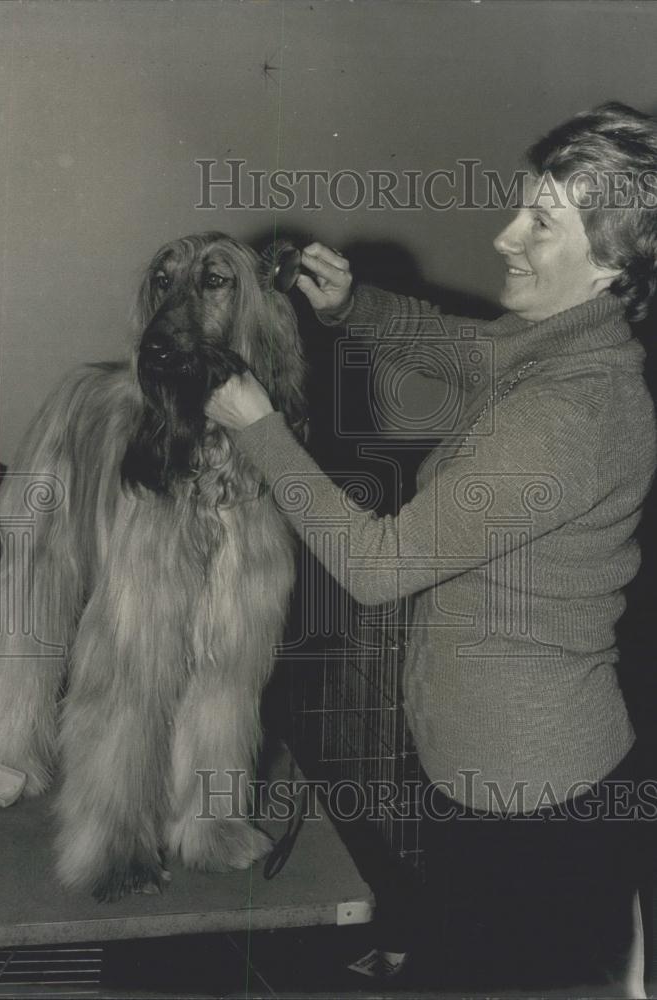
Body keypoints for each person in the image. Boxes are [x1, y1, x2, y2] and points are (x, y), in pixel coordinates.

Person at [206, 102, 657, 994]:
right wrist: (354, 308)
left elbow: (375, 569)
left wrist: (258, 429)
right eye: (521, 206)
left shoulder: (569, 416)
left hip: (531, 805)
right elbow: (471, 351)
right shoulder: (569, 345)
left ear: (613, 263)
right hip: (501, 778)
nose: (503, 236)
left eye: (541, 222)